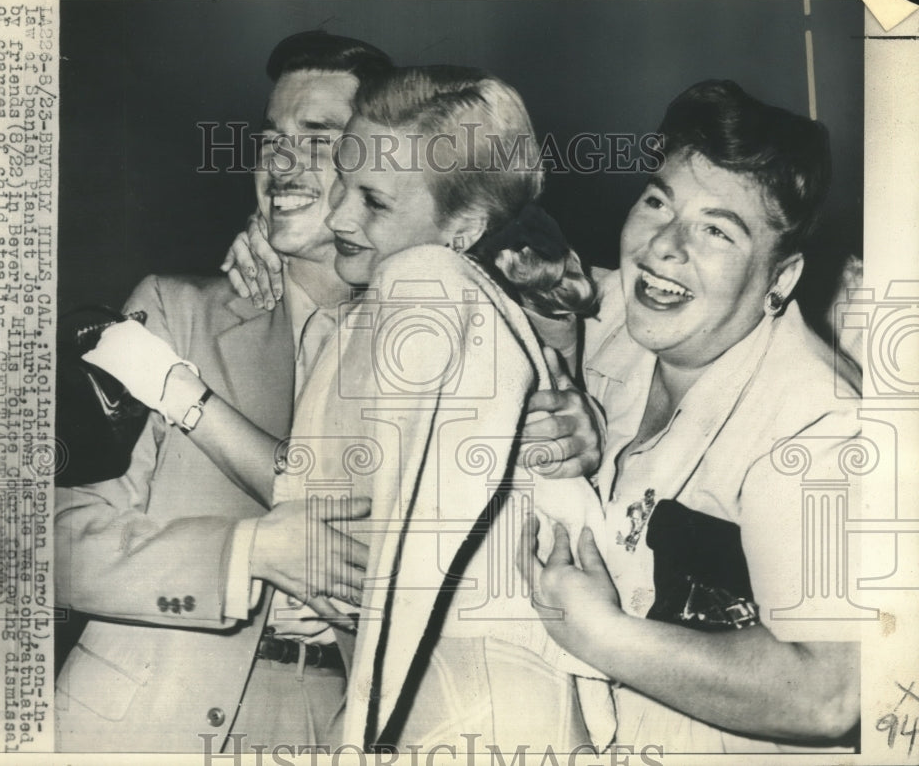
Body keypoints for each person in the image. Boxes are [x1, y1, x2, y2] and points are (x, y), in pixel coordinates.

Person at [84, 65, 615, 752]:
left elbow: (312, 493)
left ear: (461, 226)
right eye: (274, 137)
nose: (336, 210)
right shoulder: (466, 295)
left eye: (368, 195)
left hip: (463, 712)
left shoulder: (424, 289)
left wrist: (183, 396)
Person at [53, 30, 392, 753]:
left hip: (328, 729)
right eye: (271, 136)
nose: (279, 160)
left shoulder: (430, 356)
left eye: (318, 138)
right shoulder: (170, 311)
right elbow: (49, 541)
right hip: (134, 721)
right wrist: (244, 555)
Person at [519, 80, 862, 753]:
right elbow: (484, 245)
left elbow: (831, 694)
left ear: (781, 279)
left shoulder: (816, 423)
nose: (665, 246)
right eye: (657, 202)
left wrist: (600, 633)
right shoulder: (617, 307)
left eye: (716, 230)